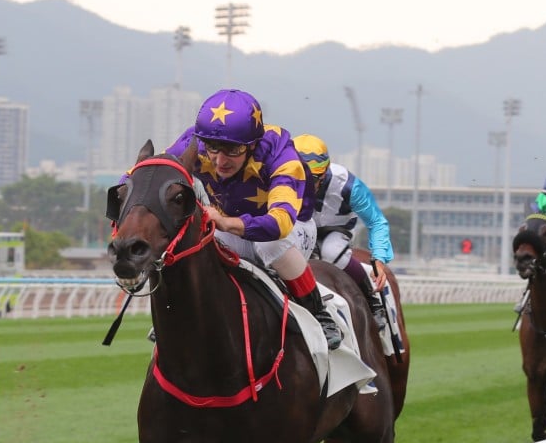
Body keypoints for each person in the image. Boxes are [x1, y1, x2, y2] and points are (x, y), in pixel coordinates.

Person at [162, 89, 342, 349]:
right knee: (194, 235)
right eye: (213, 148)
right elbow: (145, 173)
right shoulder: (195, 141)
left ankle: (318, 311)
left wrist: (225, 223)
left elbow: (279, 224)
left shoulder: (281, 153)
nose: (220, 160)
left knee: (269, 244)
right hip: (233, 226)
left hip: (291, 229)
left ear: (253, 144)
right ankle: (181, 310)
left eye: (232, 150)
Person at [292, 134, 392, 330]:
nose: (306, 185)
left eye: (313, 178)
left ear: (325, 171)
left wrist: (379, 260)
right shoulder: (279, 178)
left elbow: (377, 221)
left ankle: (372, 301)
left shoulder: (348, 184)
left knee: (331, 251)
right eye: (300, 177)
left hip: (335, 229)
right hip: (300, 225)